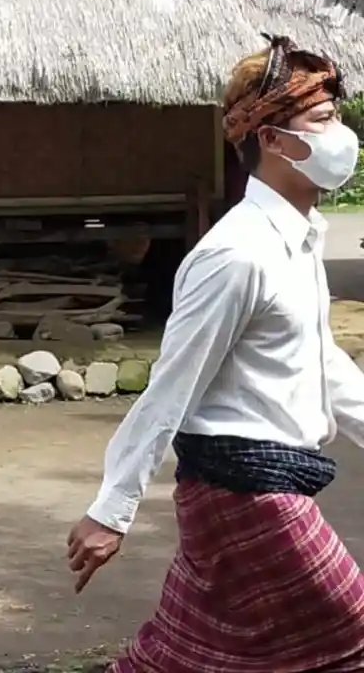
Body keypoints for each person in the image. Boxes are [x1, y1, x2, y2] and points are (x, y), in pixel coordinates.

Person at [67, 35, 364, 671]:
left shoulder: (299, 240)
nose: (340, 134)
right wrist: (111, 509)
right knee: (347, 627)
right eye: (322, 120)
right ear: (274, 140)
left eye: (337, 116)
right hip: (244, 491)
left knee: (195, 656)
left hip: (276, 482)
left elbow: (321, 365)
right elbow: (172, 385)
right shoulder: (235, 254)